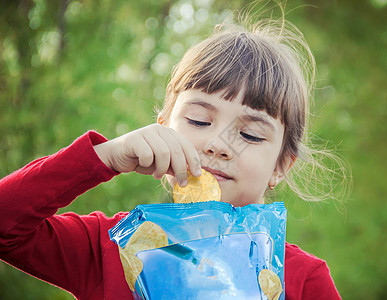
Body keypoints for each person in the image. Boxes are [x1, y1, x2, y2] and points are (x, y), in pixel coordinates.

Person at [0, 12, 342, 300]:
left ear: (281, 167)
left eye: (250, 134)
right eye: (198, 120)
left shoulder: (303, 280)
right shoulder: (110, 248)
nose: (217, 144)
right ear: (162, 127)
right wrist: (106, 156)